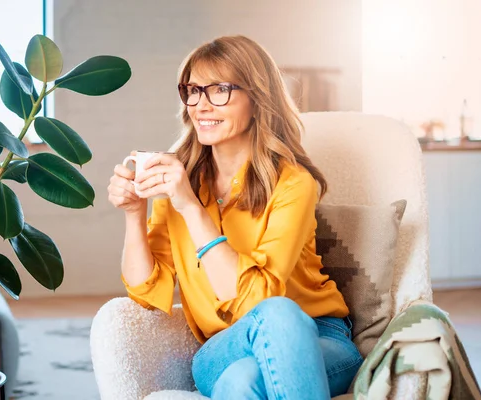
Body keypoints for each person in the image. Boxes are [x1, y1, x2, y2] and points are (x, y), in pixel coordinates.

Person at [107, 35, 363, 399]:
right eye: (193, 90)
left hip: (317, 334)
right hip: (223, 345)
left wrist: (190, 207)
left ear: (258, 100)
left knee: (243, 377)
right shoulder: (180, 181)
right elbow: (146, 292)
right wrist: (135, 214)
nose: (201, 105)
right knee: (262, 335)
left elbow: (259, 302)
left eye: (220, 90)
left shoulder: (293, 184)